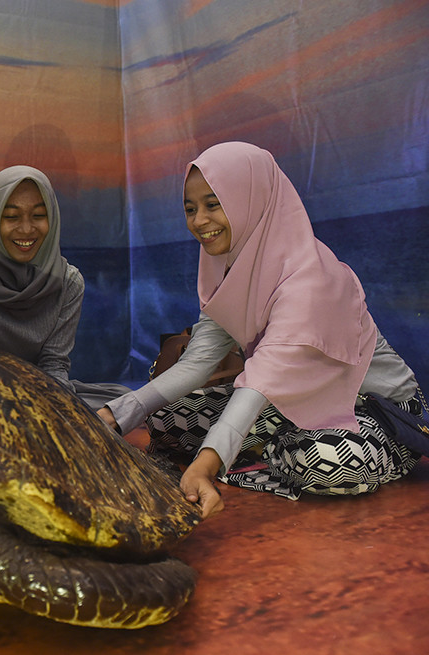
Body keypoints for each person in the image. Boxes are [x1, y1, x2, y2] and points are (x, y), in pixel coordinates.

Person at [98, 141, 422, 519]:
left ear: (251, 200)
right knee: (164, 419)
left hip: (375, 412)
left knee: (323, 459)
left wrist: (205, 467)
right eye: (190, 208)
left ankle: (258, 451)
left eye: (213, 204)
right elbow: (197, 363)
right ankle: (264, 448)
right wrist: (113, 416)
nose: (199, 221)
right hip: (284, 406)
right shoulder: (233, 272)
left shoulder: (311, 279)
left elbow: (261, 379)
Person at [0, 165, 129, 409]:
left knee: (121, 405)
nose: (27, 229)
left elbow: (54, 364)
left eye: (38, 215)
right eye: (11, 217)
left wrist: (44, 406)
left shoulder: (68, 282)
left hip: (39, 395)